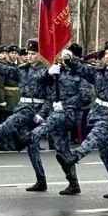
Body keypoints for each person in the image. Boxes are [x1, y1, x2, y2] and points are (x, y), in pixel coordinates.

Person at [57, 40, 108, 198]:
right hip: (98, 112)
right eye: (106, 53)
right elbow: (84, 70)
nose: (107, 56)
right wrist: (69, 60)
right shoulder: (100, 70)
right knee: (106, 153)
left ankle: (74, 156)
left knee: (95, 135)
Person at [0, 40, 54, 189]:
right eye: (29, 53)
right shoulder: (23, 69)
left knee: (11, 122)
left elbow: (51, 96)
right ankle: (41, 180)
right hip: (22, 105)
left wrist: (43, 113)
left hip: (34, 109)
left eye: (34, 53)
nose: (30, 56)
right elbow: (5, 70)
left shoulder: (48, 72)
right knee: (32, 147)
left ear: (41, 55)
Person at [37, 43, 90, 196]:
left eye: (67, 55)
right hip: (56, 112)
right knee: (62, 150)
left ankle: (26, 137)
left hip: (70, 114)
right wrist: (49, 73)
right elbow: (45, 86)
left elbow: (86, 97)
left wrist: (65, 104)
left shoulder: (82, 72)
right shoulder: (61, 70)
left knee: (60, 145)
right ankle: (73, 182)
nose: (63, 58)